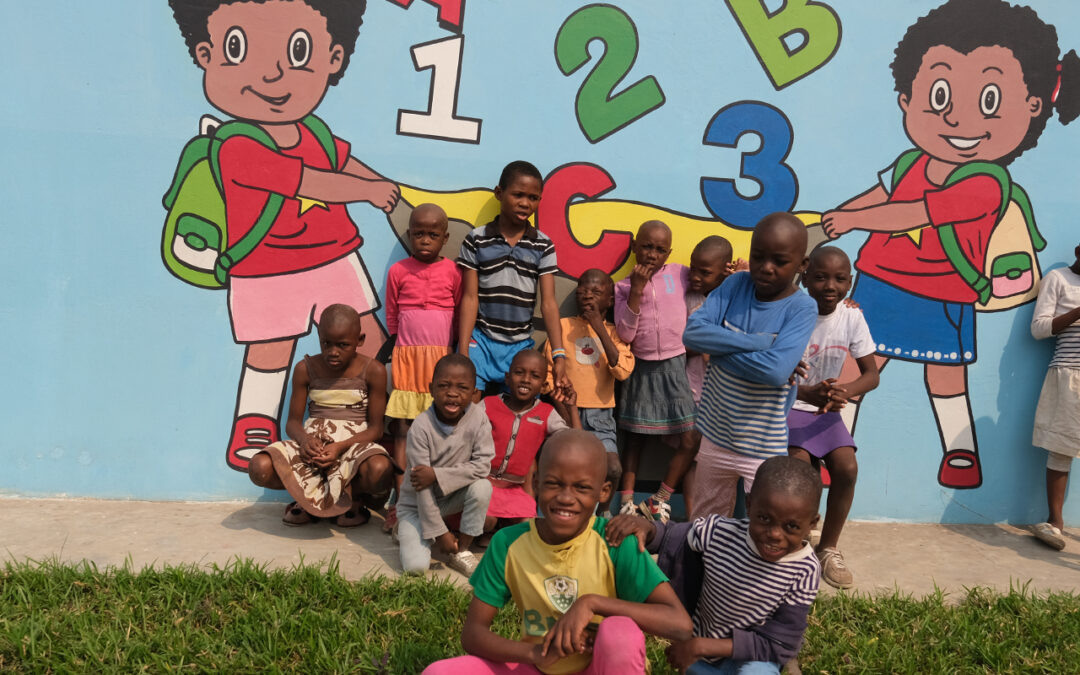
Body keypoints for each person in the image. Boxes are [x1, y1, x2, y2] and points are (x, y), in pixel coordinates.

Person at [821, 0, 1080, 489]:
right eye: (939, 95)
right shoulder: (908, 163)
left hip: (945, 291)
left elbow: (917, 211)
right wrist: (840, 216)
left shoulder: (986, 182)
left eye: (988, 101)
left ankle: (960, 452)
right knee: (859, 368)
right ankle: (834, 446)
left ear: (1032, 107)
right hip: (878, 281)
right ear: (906, 100)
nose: (959, 120)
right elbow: (886, 193)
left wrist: (852, 219)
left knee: (945, 376)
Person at [169, 0, 401, 471]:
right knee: (271, 348)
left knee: (370, 337)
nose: (272, 74)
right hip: (266, 266)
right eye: (239, 48)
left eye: (298, 51)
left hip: (335, 258)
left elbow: (339, 162)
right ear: (204, 54)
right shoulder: (236, 144)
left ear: (333, 58)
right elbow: (302, 180)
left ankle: (367, 418)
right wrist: (369, 192)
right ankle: (254, 421)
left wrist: (389, 189)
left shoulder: (313, 128)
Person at [423, 430, 693, 675]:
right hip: (537, 667)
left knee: (620, 633)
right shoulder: (508, 543)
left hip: (599, 668)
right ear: (536, 483)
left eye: (582, 487)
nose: (566, 497)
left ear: (604, 492)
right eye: (554, 483)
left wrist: (592, 603)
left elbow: (679, 623)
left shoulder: (615, 542)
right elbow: (473, 634)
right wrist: (536, 653)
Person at [605, 456, 822, 675]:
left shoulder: (805, 569)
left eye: (791, 526)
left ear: (812, 523)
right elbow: (672, 536)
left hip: (752, 658)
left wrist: (699, 646)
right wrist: (647, 528)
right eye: (764, 518)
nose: (775, 534)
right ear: (749, 504)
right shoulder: (718, 532)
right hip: (701, 658)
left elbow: (780, 642)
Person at [683, 213, 817, 520]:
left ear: (802, 264)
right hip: (716, 435)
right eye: (758, 257)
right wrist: (762, 342)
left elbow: (775, 372)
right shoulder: (735, 284)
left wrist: (717, 350)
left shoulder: (801, 307)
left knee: (767, 526)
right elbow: (692, 333)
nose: (765, 268)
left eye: (779, 261)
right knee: (704, 524)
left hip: (763, 444)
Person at [249, 304, 396, 526]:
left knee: (380, 469)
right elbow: (293, 423)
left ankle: (352, 499)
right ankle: (305, 499)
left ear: (360, 340)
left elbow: (376, 429)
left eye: (343, 345)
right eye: (326, 343)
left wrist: (340, 447)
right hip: (313, 447)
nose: (333, 351)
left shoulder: (373, 370)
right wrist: (306, 440)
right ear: (319, 337)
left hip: (352, 447)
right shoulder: (305, 368)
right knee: (259, 467)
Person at [787, 247, 880, 587]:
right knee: (801, 471)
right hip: (788, 408)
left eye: (840, 279)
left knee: (847, 468)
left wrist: (846, 389)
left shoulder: (851, 316)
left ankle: (827, 548)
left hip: (824, 412)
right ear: (805, 276)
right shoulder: (791, 310)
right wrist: (802, 392)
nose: (830, 286)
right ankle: (796, 546)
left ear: (850, 282)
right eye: (822, 277)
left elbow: (872, 374)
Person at [457, 161, 570, 397]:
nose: (525, 203)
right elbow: (469, 297)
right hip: (481, 342)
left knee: (519, 409)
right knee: (469, 405)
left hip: (520, 346)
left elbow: (548, 303)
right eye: (518, 195)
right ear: (499, 193)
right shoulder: (476, 240)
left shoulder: (543, 245)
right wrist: (463, 349)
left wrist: (559, 354)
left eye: (533, 198)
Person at [383, 204, 462, 533]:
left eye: (432, 234)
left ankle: (433, 503)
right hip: (406, 359)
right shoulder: (398, 271)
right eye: (418, 233)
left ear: (444, 238)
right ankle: (400, 502)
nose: (424, 240)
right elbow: (391, 316)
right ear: (410, 235)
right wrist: (402, 344)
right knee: (403, 429)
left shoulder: (453, 272)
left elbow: (457, 315)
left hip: (439, 362)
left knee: (438, 432)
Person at [614, 221, 697, 522]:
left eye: (660, 249)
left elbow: (707, 282)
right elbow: (625, 334)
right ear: (635, 246)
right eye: (647, 246)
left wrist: (736, 271)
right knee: (636, 438)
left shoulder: (679, 273)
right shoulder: (622, 287)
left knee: (690, 439)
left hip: (676, 366)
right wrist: (636, 291)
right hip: (642, 367)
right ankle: (626, 500)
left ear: (669, 253)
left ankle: (660, 499)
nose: (652, 254)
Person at [544, 269, 635, 517]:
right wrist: (565, 412)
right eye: (583, 289)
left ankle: (603, 516)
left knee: (613, 469)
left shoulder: (615, 334)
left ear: (610, 300)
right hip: (564, 411)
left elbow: (623, 371)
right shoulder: (561, 327)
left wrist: (598, 325)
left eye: (596, 291)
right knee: (563, 468)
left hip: (600, 416)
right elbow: (548, 378)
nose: (587, 295)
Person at [396, 354, 494, 577]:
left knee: (482, 487)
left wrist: (437, 475)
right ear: (431, 389)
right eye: (444, 386)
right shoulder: (421, 428)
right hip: (416, 505)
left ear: (474, 392)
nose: (452, 393)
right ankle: (404, 529)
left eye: (462, 387)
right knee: (416, 568)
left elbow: (482, 467)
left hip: (450, 499)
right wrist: (440, 533)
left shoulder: (479, 418)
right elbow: (421, 486)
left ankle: (463, 550)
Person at [482, 350, 581, 536]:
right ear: (507, 378)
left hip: (515, 488)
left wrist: (572, 407)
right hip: (483, 483)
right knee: (486, 521)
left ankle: (501, 527)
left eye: (535, 376)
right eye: (519, 373)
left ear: (543, 385)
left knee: (527, 528)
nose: (526, 379)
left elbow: (576, 443)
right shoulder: (488, 405)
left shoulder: (546, 412)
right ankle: (490, 530)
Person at [681, 236, 742, 517]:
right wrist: (711, 342)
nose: (695, 276)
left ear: (724, 270)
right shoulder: (688, 298)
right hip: (695, 392)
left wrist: (739, 278)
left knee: (725, 461)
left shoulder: (735, 296)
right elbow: (680, 342)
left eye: (704, 272)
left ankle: (722, 520)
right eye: (693, 268)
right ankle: (695, 520)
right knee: (694, 457)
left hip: (729, 396)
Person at [1028, 244, 1080, 551]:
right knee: (1062, 447)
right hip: (1069, 373)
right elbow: (1038, 329)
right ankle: (1054, 523)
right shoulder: (1057, 279)